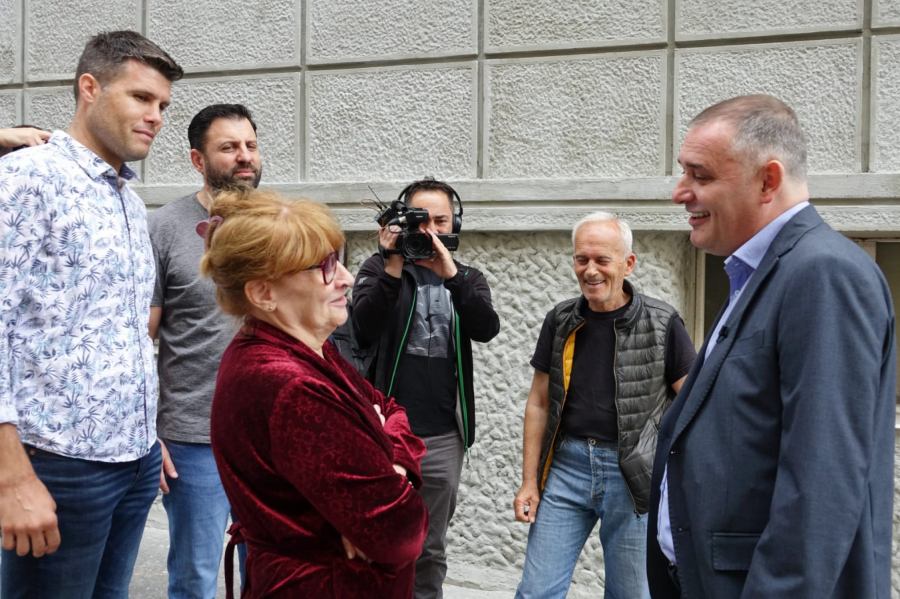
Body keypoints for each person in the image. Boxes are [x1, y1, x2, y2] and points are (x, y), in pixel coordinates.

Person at [648, 94, 896, 598]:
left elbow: (821, 482)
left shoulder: (823, 273)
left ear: (768, 181)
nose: (679, 193)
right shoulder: (760, 271)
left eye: (700, 175)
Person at [0, 30, 183, 598]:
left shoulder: (127, 198)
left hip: (134, 462)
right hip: (56, 463)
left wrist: (144, 436)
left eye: (162, 105)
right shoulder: (27, 179)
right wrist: (10, 475)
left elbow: (120, 329)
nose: (155, 117)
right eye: (140, 98)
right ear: (89, 88)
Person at [201, 187, 429, 598]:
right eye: (323, 266)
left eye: (338, 259)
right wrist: (392, 461)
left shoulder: (306, 349)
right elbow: (401, 533)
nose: (347, 278)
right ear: (264, 293)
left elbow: (390, 408)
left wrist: (392, 467)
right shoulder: (289, 383)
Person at [512, 213, 696, 599]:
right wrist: (530, 481)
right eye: (582, 259)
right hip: (567, 468)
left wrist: (679, 481)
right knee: (535, 592)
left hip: (633, 477)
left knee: (631, 594)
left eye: (602, 260)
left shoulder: (662, 322)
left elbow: (694, 405)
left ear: (628, 264)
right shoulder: (560, 319)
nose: (590, 270)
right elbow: (539, 403)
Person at [351, 177, 501, 598]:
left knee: (430, 549)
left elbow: (486, 328)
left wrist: (452, 276)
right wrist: (392, 264)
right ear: (404, 222)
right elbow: (362, 329)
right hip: (384, 435)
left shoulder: (467, 277)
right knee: (377, 542)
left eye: (441, 221)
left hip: (442, 438)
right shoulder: (378, 269)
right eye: (421, 221)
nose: (431, 231)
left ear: (456, 224)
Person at [148, 103, 259, 598]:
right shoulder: (165, 227)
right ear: (198, 159)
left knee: (271, 571)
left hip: (268, 432)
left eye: (250, 145)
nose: (244, 156)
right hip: (194, 438)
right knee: (195, 576)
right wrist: (147, 431)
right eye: (229, 147)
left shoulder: (278, 224)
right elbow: (141, 338)